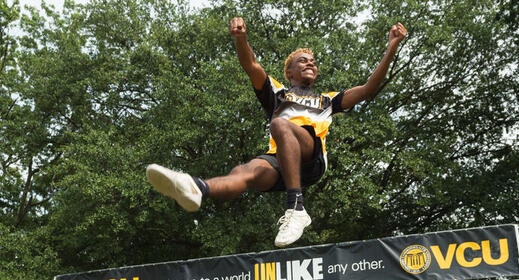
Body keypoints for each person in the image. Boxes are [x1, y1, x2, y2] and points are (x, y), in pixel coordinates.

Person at [146, 18, 408, 248]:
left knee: (281, 125)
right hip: (280, 160)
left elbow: (368, 88)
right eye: (303, 61)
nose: (310, 64)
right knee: (246, 171)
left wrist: (391, 47)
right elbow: (252, 65)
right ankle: (198, 189)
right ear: (289, 72)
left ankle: (296, 207)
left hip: (311, 161)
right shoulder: (277, 93)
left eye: (313, 62)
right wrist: (241, 38)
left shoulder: (329, 100)